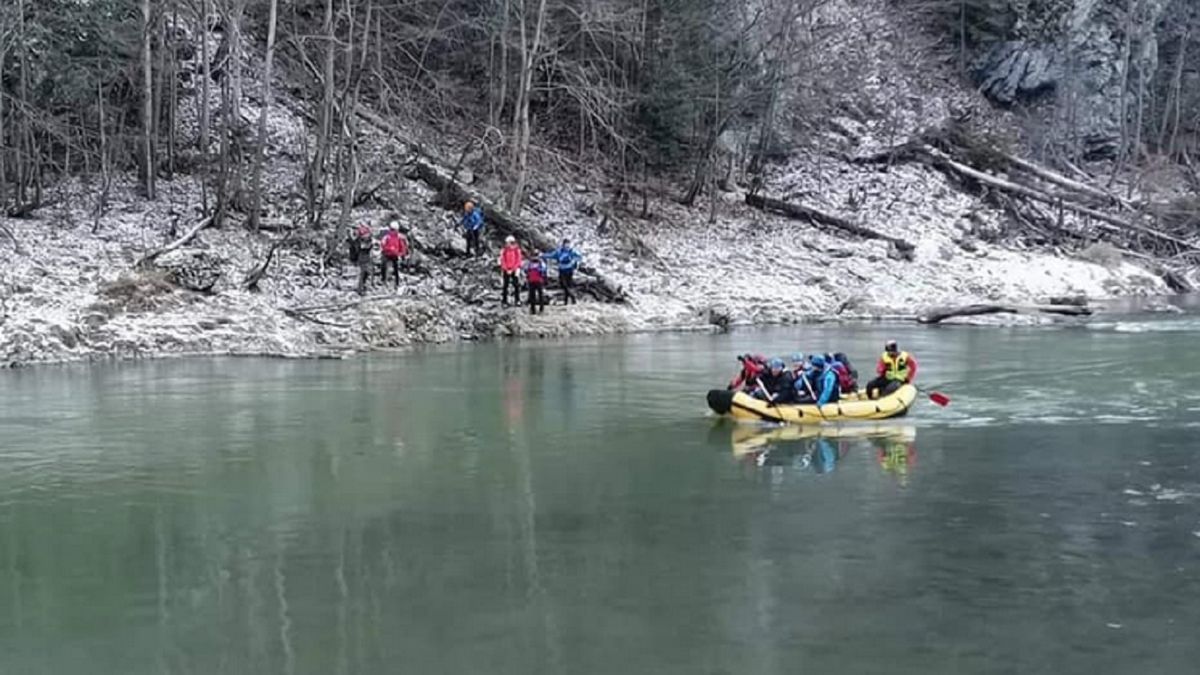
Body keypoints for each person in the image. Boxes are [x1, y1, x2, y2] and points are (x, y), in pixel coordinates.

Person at [543, 239, 582, 305]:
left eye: (568, 244)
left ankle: (567, 300)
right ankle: (571, 298)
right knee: (563, 285)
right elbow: (551, 255)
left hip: (569, 270)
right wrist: (542, 255)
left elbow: (579, 257)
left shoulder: (572, 251)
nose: (567, 246)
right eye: (566, 244)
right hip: (562, 270)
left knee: (568, 285)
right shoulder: (559, 252)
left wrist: (575, 261)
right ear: (563, 244)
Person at [379, 221, 409, 290]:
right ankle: (384, 280)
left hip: (394, 255)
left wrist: (402, 254)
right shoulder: (388, 237)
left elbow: (402, 246)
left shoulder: (398, 237)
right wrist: (387, 249)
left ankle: (396, 282)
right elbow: (382, 244)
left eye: (393, 230)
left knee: (395, 269)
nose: (392, 231)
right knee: (384, 266)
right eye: (392, 229)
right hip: (388, 254)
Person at [348, 224, 375, 295]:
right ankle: (360, 289)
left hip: (364, 258)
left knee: (365, 273)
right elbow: (362, 248)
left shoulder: (358, 240)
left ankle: (363, 287)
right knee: (363, 274)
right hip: (363, 259)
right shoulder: (360, 241)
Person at [498, 235, 524, 307]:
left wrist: (513, 269)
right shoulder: (504, 250)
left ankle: (517, 300)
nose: (507, 244)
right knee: (505, 286)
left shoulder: (517, 250)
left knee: (516, 285)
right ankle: (504, 301)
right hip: (506, 270)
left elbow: (518, 260)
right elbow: (502, 260)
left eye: (508, 242)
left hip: (514, 270)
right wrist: (506, 269)